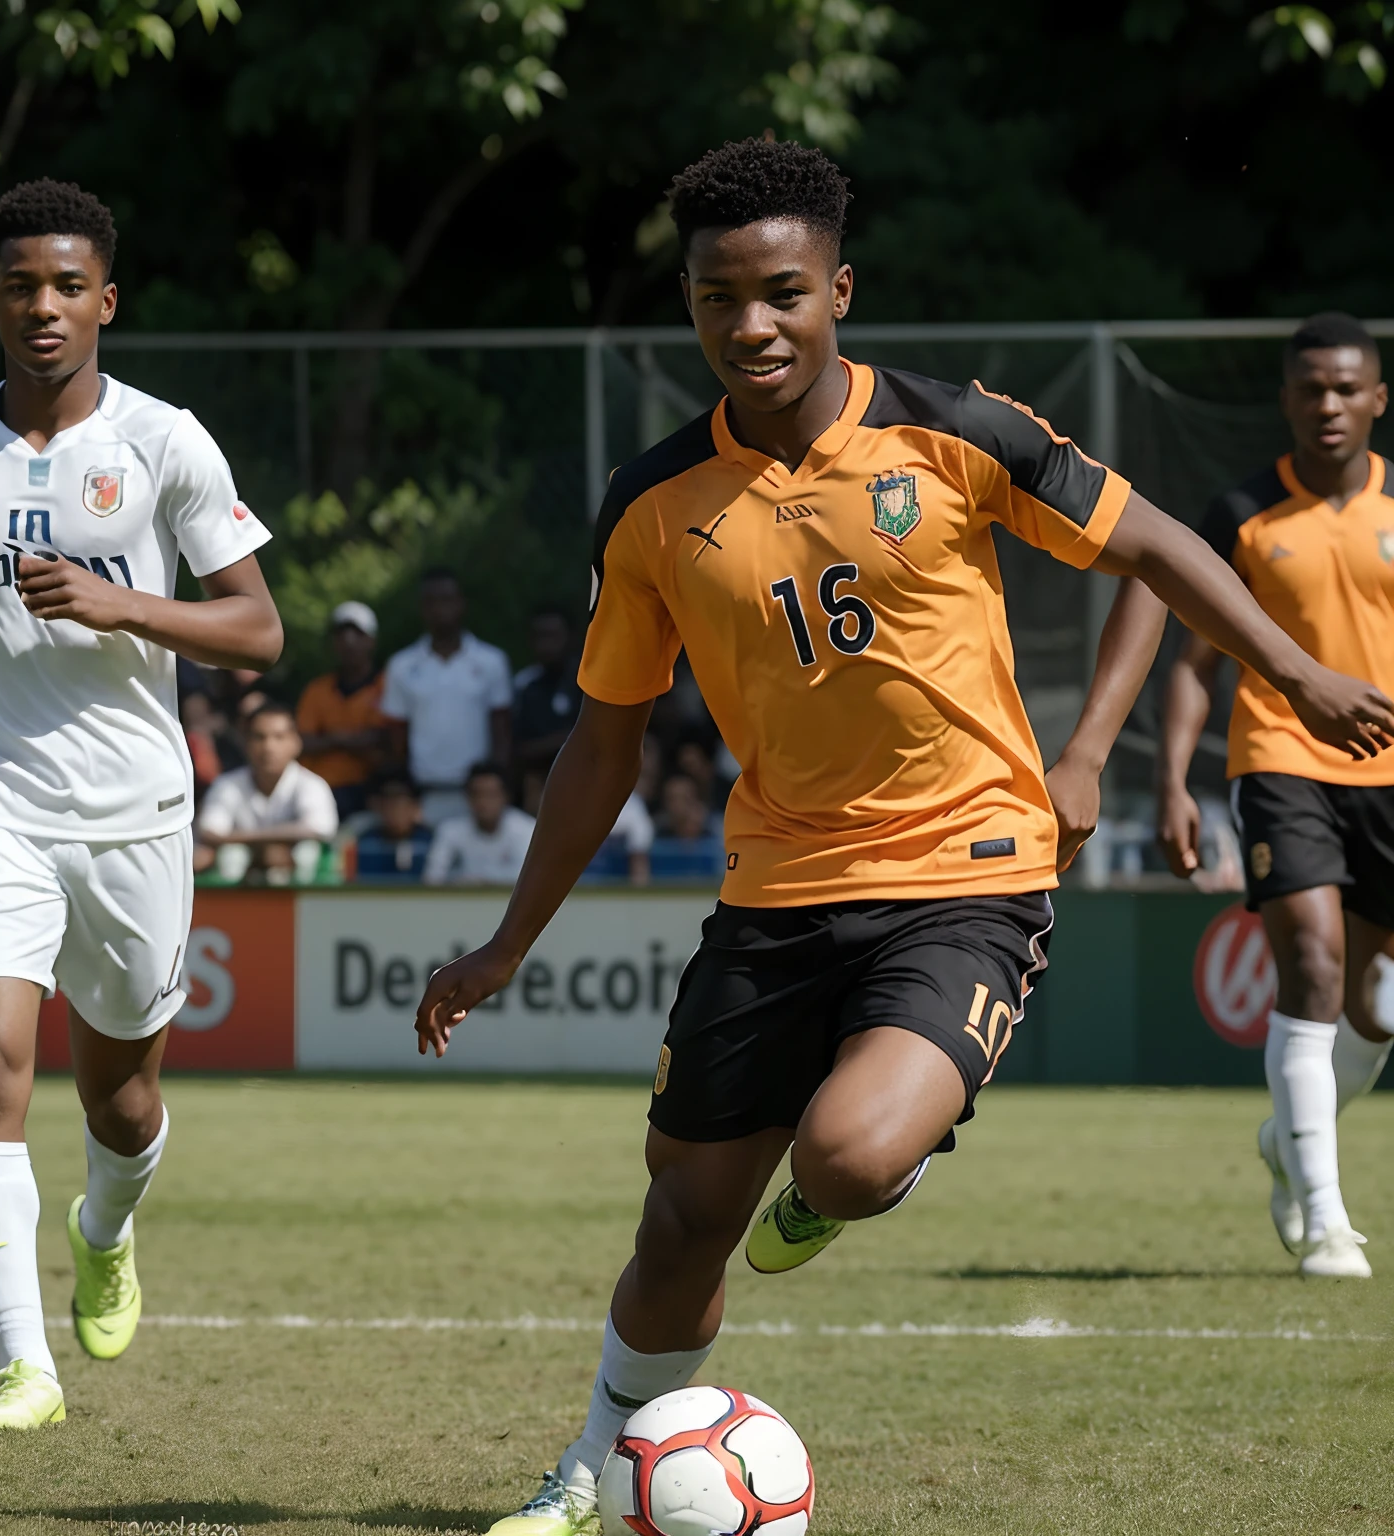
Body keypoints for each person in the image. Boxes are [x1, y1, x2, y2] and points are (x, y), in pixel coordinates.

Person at [411, 138, 1393, 1536]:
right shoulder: (649, 503)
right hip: (772, 897)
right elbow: (604, 740)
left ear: (841, 291)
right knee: (684, 1221)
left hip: (971, 875)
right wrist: (509, 941)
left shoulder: (958, 432)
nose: (749, 326)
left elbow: (1160, 552)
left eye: (782, 293)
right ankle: (591, 1468)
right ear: (688, 306)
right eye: (714, 300)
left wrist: (1259, 690)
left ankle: (850, 1178)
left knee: (851, 1160)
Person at [0, 179, 282, 1432]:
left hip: (137, 814)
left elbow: (258, 630)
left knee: (123, 1102)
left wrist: (126, 605)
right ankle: (21, 1370)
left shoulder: (164, 443)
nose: (42, 307)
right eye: (17, 286)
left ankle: (107, 1225)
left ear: (107, 299)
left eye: (65, 286)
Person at [1158, 312, 1394, 1279]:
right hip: (1282, 758)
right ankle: (1329, 1223)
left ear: (1378, 397)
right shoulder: (1242, 513)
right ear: (1286, 398)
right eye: (1311, 388)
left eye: (1346, 388)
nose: (1328, 404)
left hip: (1388, 772)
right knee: (1311, 958)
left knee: (1376, 1006)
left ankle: (1289, 1140)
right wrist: (1173, 778)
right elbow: (1193, 661)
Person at [381, 567, 513, 825]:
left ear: (461, 604)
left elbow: (502, 731)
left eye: (447, 600)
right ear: (422, 608)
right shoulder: (401, 665)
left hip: (477, 798)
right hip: (423, 795)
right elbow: (396, 737)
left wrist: (498, 789)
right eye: (432, 602)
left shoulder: (492, 662)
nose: (440, 609)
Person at [196, 702, 338, 882]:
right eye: (259, 737)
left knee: (306, 853)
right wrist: (265, 850)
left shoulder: (312, 785)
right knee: (232, 856)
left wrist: (249, 840)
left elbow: (319, 830)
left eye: (279, 737)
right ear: (245, 742)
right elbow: (209, 832)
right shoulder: (227, 784)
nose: (268, 747)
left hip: (295, 879)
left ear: (296, 742)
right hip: (242, 875)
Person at [297, 600, 389, 820]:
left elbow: (382, 740)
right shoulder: (317, 689)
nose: (349, 641)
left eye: (357, 634)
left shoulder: (387, 685)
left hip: (372, 792)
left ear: (371, 640)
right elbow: (302, 742)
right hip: (322, 790)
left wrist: (329, 739)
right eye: (341, 634)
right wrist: (352, 740)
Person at [513, 604, 584, 812]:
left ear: (570, 637)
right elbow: (520, 749)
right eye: (540, 637)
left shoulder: (588, 683)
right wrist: (568, 739)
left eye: (553, 636)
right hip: (541, 782)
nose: (546, 645)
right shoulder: (526, 686)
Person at [423, 761, 535, 887]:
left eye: (490, 795)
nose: (483, 802)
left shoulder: (527, 829)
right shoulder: (449, 831)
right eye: (477, 794)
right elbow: (433, 878)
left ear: (505, 796)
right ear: (467, 797)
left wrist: (479, 881)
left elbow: (530, 879)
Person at [355, 772, 434, 881]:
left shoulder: (429, 842)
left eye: (400, 806)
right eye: (389, 805)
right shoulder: (366, 842)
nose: (394, 812)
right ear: (380, 808)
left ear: (414, 807)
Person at [650, 773, 724, 881]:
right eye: (672, 799)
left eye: (684, 798)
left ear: (695, 800)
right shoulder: (655, 830)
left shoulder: (713, 829)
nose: (677, 805)